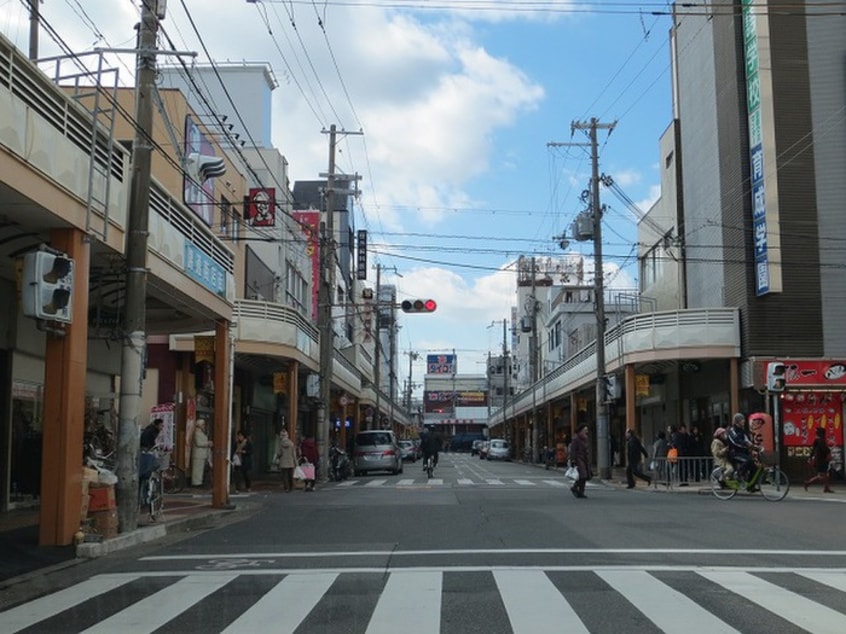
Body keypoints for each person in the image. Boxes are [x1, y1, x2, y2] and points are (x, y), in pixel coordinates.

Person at [727, 412, 755, 482]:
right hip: (734, 453)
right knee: (749, 460)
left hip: (743, 453)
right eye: (742, 420)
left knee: (754, 466)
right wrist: (745, 444)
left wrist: (755, 447)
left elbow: (747, 440)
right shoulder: (732, 430)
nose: (744, 421)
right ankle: (738, 474)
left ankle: (751, 486)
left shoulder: (743, 431)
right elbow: (735, 441)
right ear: (737, 421)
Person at [804, 427, 834, 493]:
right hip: (821, 460)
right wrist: (829, 453)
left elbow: (812, 450)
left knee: (825, 475)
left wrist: (810, 457)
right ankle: (808, 483)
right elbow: (825, 449)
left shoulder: (817, 440)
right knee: (822, 475)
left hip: (819, 459)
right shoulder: (821, 440)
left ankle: (826, 488)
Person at [569, 424, 592, 499]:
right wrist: (573, 460)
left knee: (585, 476)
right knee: (583, 475)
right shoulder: (576, 439)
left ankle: (581, 492)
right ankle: (575, 487)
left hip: (584, 459)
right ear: (581, 431)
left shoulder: (584, 439)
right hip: (579, 459)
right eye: (585, 430)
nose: (586, 431)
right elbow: (573, 451)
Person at [190, 419, 213, 487]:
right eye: (203, 424)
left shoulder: (201, 433)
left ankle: (199, 482)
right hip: (198, 454)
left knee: (200, 469)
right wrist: (208, 443)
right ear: (199, 425)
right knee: (197, 470)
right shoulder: (196, 433)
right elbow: (199, 443)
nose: (204, 426)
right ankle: (196, 483)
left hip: (201, 454)